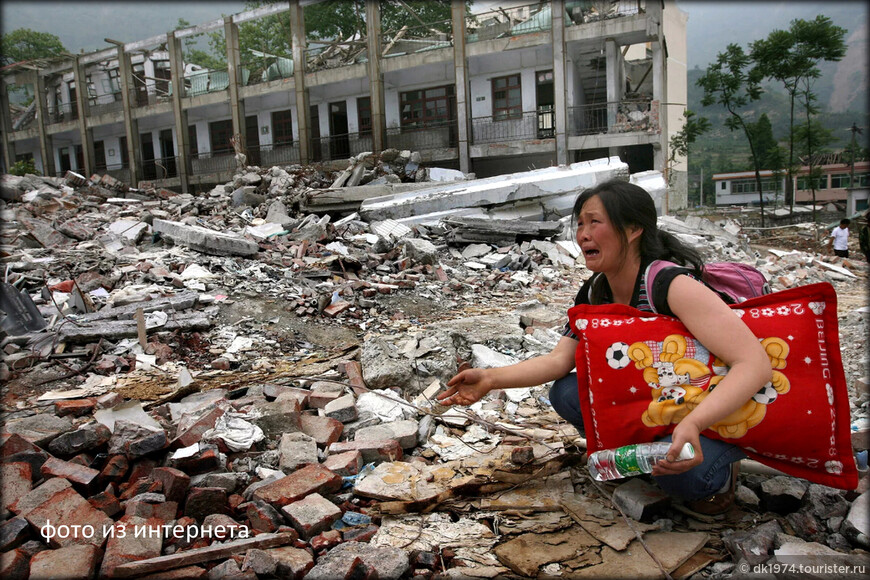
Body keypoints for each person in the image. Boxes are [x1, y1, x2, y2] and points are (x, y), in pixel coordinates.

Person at [437, 179, 772, 515]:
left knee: (683, 482)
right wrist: (491, 379)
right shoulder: (595, 292)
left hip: (711, 408)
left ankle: (722, 470)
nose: (583, 234)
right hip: (664, 402)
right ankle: (647, 450)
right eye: (580, 223)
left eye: (594, 222)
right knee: (568, 391)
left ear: (632, 229)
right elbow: (558, 361)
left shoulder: (673, 285)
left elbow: (754, 365)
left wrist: (694, 424)